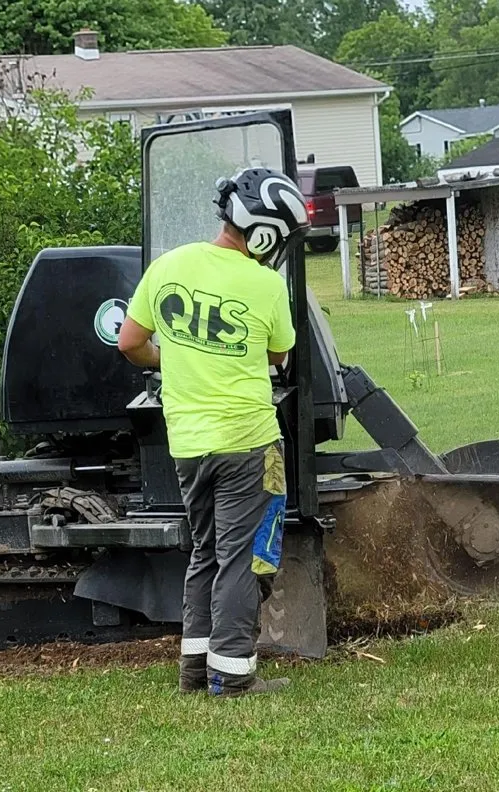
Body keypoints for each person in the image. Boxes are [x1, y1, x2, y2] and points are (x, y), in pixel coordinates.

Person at [117, 167, 310, 697]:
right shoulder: (265, 284)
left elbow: (129, 342)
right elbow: (279, 353)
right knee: (243, 560)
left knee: (205, 553)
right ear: (264, 234)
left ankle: (195, 671)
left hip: (188, 446)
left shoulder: (169, 266)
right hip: (248, 443)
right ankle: (232, 676)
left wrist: (173, 357)